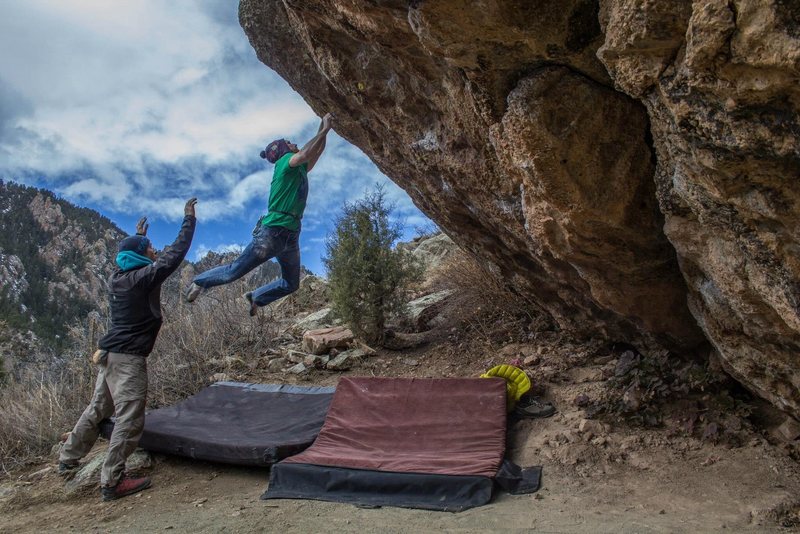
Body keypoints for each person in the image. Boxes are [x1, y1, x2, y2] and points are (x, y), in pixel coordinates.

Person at [58, 198, 198, 501]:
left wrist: (139, 236)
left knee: (99, 408)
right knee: (129, 416)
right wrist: (189, 220)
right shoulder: (142, 279)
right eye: (149, 249)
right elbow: (173, 256)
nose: (154, 251)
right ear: (139, 256)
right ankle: (112, 481)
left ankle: (68, 458)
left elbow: (135, 253)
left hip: (109, 356)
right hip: (128, 360)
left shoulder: (118, 278)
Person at [185, 113, 333, 315]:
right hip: (272, 232)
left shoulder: (299, 169)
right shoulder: (285, 162)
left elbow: (316, 151)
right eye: (289, 143)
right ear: (281, 151)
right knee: (234, 271)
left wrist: (323, 129)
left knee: (291, 284)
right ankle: (199, 282)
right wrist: (323, 130)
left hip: (290, 236)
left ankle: (256, 297)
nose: (294, 143)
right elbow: (307, 153)